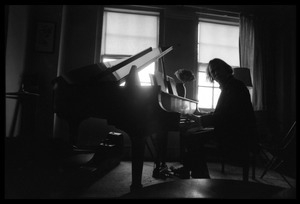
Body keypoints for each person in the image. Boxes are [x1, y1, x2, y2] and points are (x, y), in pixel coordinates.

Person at [172, 58, 258, 179]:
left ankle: (200, 176)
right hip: (232, 129)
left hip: (237, 134)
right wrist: (202, 117)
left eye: (218, 69)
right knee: (192, 133)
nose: (215, 73)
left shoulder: (234, 87)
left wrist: (198, 119)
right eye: (212, 72)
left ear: (226, 69)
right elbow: (224, 112)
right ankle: (191, 169)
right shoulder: (230, 86)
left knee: (192, 137)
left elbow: (223, 116)